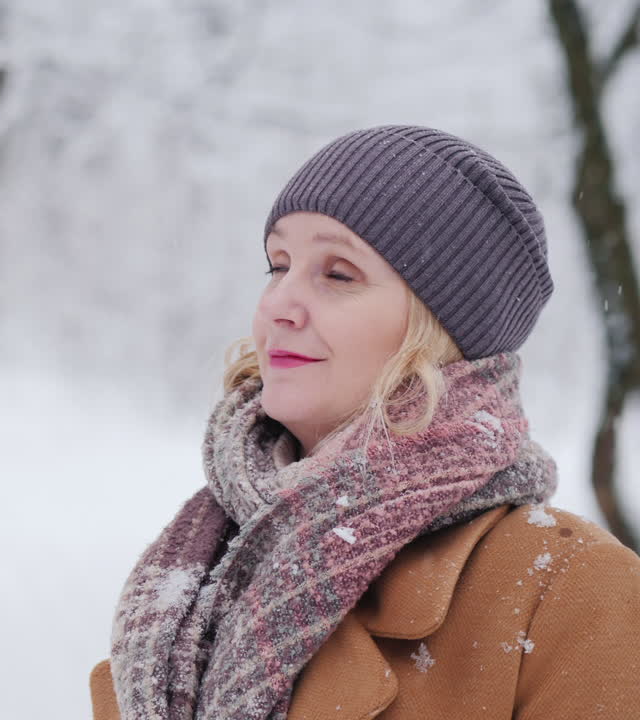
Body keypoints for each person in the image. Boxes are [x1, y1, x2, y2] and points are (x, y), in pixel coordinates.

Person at [88, 125, 640, 720]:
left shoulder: (568, 589)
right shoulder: (194, 579)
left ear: (443, 332)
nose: (277, 305)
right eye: (278, 265)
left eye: (338, 274)